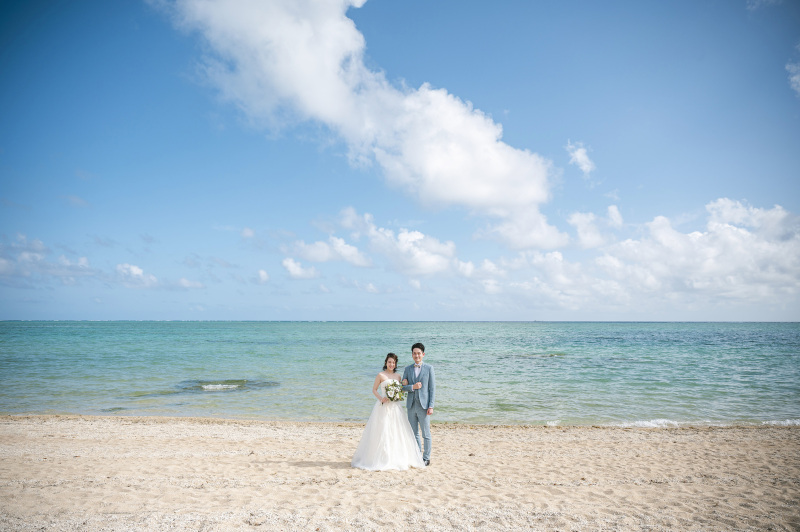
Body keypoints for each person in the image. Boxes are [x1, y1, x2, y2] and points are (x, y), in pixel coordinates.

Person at [351, 353, 425, 471]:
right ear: (386, 362)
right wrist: (381, 398)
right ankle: (381, 458)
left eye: (394, 362)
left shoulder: (398, 376)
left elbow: (400, 390)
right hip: (384, 407)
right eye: (390, 362)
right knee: (383, 431)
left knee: (396, 432)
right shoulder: (381, 375)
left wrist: (403, 385)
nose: (391, 364)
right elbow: (374, 390)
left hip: (396, 407)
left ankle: (396, 457)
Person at [401, 342, 435, 466]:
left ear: (423, 354)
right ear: (412, 355)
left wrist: (431, 406)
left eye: (419, 353)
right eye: (414, 353)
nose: (417, 355)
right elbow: (402, 387)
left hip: (424, 405)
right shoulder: (407, 369)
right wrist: (412, 387)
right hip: (411, 405)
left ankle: (426, 458)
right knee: (413, 433)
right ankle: (416, 455)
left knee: (426, 433)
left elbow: (432, 389)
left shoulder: (429, 368)